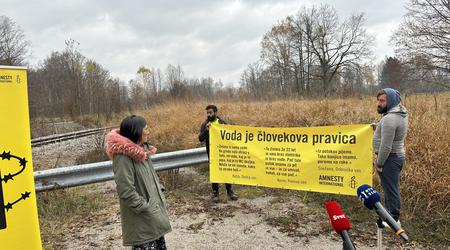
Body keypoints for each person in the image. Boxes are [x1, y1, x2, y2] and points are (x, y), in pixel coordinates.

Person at [106, 115, 171, 250]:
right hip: (143, 220)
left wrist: (158, 193)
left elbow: (150, 179)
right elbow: (125, 190)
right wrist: (144, 207)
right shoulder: (123, 157)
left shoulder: (142, 151)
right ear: (136, 131)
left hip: (152, 217)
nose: (148, 131)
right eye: (145, 128)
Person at [373, 88, 408, 225]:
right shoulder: (400, 113)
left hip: (389, 158)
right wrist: (378, 127)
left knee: (391, 189)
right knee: (389, 187)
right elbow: (391, 130)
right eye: (378, 100)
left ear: (391, 101)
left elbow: (386, 146)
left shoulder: (389, 119)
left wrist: (380, 163)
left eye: (382, 101)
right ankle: (389, 215)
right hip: (396, 156)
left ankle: (393, 218)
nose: (378, 103)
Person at [198, 104, 238, 203]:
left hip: (223, 152)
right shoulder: (205, 124)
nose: (208, 115)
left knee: (226, 171)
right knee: (214, 173)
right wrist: (206, 130)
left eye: (210, 112)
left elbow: (229, 138)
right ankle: (215, 193)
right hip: (211, 153)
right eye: (207, 113)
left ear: (215, 113)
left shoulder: (222, 123)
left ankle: (230, 191)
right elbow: (200, 138)